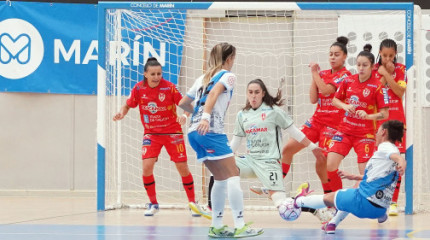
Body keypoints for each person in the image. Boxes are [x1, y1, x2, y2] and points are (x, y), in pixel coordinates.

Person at [178, 42, 263, 238]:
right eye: (234, 57)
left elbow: (183, 103)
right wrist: (206, 117)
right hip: (211, 131)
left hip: (193, 132)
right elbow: (215, 93)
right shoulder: (228, 75)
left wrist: (197, 115)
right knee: (233, 174)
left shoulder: (202, 78)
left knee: (220, 178)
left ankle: (216, 226)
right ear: (229, 59)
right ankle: (240, 225)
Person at [113, 57, 204, 217]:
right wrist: (122, 113)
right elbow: (127, 105)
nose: (156, 77)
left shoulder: (169, 88)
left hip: (172, 133)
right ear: (145, 74)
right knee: (147, 167)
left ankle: (192, 203)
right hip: (151, 134)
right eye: (153, 74)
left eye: (159, 74)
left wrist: (184, 116)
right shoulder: (139, 89)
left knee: (182, 168)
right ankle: (153, 203)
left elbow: (187, 105)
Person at [278, 37, 351, 222]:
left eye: (337, 55)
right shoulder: (323, 73)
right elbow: (313, 98)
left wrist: (314, 73)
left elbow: (326, 91)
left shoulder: (345, 75)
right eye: (330, 54)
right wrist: (315, 75)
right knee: (287, 149)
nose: (332, 58)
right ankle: (276, 187)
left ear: (344, 57)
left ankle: (334, 204)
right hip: (316, 120)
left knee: (324, 165)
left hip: (333, 125)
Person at [229, 79, 325, 216]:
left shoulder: (273, 111)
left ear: (263, 93)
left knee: (285, 211)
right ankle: (224, 215)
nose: (253, 96)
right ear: (246, 94)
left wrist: (312, 146)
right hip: (250, 161)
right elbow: (236, 141)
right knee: (222, 168)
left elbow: (294, 131)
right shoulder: (242, 114)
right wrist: (224, 156)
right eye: (250, 92)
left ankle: (308, 205)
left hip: (269, 163)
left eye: (257, 92)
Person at [293, 120, 406, 234]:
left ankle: (298, 201)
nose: (375, 134)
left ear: (383, 132)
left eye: (377, 131)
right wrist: (354, 176)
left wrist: (402, 163)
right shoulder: (388, 153)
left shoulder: (385, 147)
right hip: (380, 209)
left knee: (328, 198)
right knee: (350, 195)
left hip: (363, 204)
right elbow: (376, 177)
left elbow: (398, 158)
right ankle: (332, 224)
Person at [324, 44, 389, 194]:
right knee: (330, 165)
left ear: (372, 66)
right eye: (358, 64)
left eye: (365, 65)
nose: (361, 68)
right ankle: (336, 198)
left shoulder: (378, 87)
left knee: (366, 173)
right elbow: (335, 100)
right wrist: (345, 106)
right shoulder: (348, 81)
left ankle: (369, 200)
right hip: (345, 131)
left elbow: (384, 114)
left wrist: (368, 116)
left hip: (365, 135)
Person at [373, 39, 407, 216]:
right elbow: (375, 92)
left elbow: (400, 92)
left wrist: (387, 74)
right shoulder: (373, 70)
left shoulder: (401, 69)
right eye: (384, 55)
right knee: (379, 163)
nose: (387, 59)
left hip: (397, 123)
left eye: (391, 56)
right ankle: (378, 201)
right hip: (379, 122)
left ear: (395, 55)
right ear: (379, 52)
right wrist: (382, 74)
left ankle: (393, 202)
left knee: (396, 163)